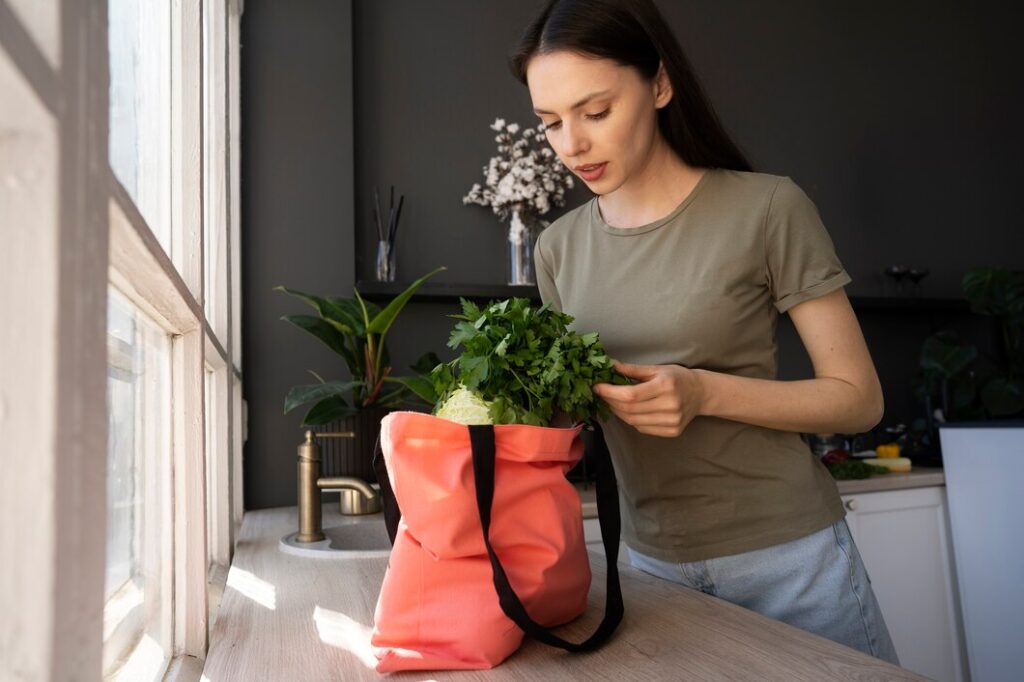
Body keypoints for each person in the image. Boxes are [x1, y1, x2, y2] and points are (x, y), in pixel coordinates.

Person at [511, 0, 901, 666]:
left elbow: (859, 399)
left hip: (792, 564)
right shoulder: (557, 249)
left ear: (659, 85)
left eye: (596, 112)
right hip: (648, 569)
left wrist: (701, 393)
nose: (571, 144)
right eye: (551, 122)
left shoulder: (767, 208)